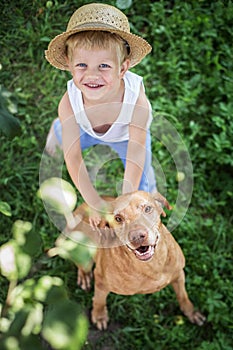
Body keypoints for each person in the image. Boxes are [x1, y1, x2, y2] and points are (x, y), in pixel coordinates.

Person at [45, 3, 162, 228]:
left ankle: (151, 191)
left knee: (144, 174)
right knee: (66, 133)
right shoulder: (69, 103)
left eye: (104, 66)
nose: (92, 75)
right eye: (81, 64)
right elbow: (73, 158)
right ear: (69, 65)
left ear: (123, 68)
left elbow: (136, 151)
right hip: (85, 128)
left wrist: (127, 199)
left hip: (127, 137)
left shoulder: (136, 101)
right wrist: (94, 202)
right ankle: (58, 129)